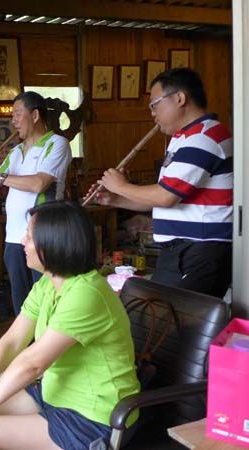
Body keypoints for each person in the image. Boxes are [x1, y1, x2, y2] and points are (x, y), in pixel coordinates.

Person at [0, 201, 140, 450]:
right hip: (54, 393)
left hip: (94, 416)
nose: (22, 242)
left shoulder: (87, 293)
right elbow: (12, 342)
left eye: (29, 236)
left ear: (53, 243)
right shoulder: (47, 284)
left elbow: (33, 363)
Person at [93, 68, 232, 299]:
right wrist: (115, 198)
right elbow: (160, 199)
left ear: (179, 98)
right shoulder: (185, 138)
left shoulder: (204, 137)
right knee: (156, 314)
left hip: (200, 250)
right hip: (182, 250)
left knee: (172, 316)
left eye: (155, 104)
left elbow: (166, 196)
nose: (152, 113)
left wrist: (120, 185)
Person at [0, 91, 71, 315]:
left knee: (46, 301)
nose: (13, 121)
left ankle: (47, 338)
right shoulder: (15, 152)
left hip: (43, 237)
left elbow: (39, 184)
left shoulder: (57, 144)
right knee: (22, 304)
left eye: (17, 114)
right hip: (14, 238)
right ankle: (25, 338)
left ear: (35, 115)